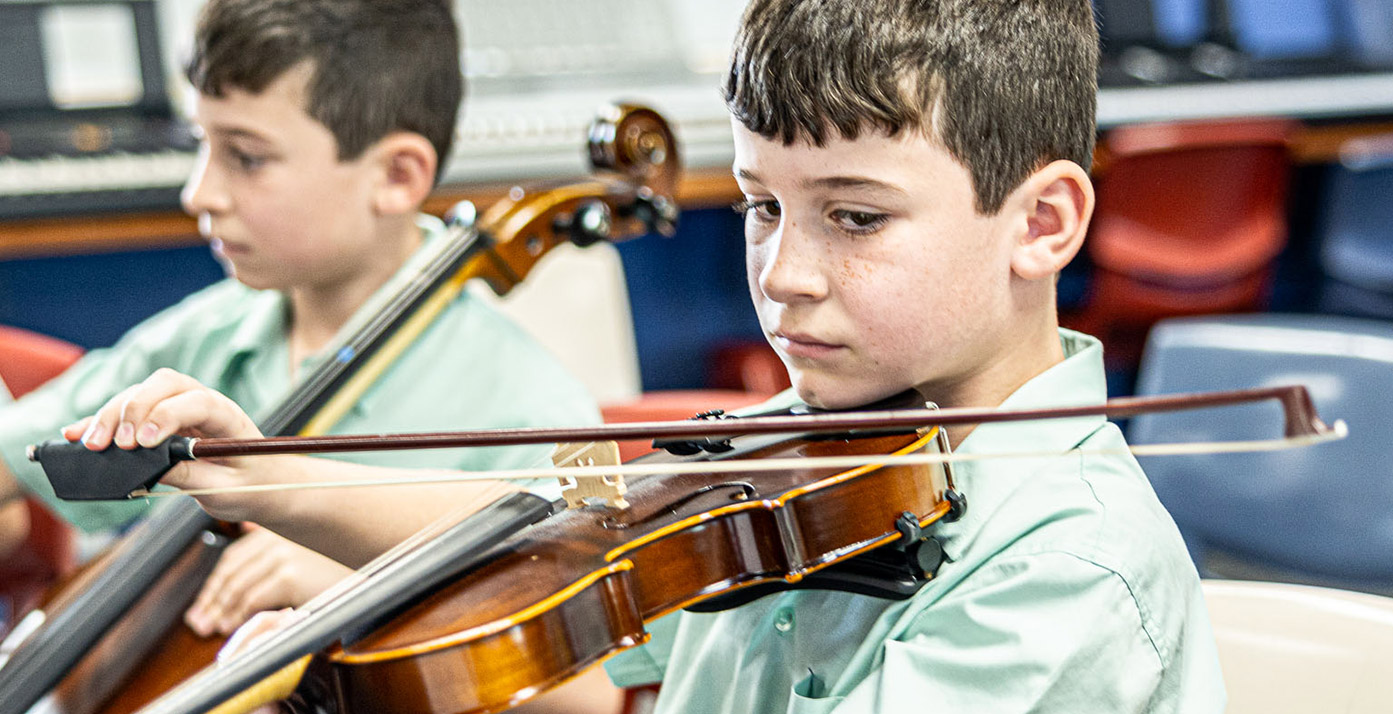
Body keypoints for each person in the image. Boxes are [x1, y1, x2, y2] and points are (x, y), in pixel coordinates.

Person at [74, 0, 1227, 710]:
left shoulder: (1064, 573)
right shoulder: (796, 449)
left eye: (856, 217)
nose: (784, 272)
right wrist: (258, 481)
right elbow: (534, 519)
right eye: (762, 208)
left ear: (1042, 223)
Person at [0, 0, 599, 658]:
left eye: (246, 157)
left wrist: (367, 588)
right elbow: (14, 457)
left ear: (397, 177)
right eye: (204, 144)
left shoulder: (536, 406)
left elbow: (595, 693)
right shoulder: (211, 333)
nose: (198, 193)